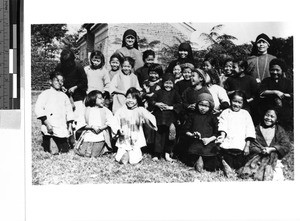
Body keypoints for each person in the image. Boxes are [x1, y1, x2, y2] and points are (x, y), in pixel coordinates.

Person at [238, 108, 291, 181]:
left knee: (276, 177)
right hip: (257, 157)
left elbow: (286, 145)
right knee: (249, 172)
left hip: (273, 158)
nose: (269, 118)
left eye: (272, 117)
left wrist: (272, 149)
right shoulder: (257, 129)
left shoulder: (279, 130)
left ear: (277, 119)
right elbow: (251, 144)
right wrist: (261, 150)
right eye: (267, 115)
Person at [216, 90, 256, 176]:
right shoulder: (226, 112)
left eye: (239, 102)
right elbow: (222, 125)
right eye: (234, 101)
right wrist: (222, 137)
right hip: (228, 144)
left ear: (243, 103)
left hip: (241, 146)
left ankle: (238, 168)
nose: (236, 104)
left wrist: (247, 146)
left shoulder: (245, 114)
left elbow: (249, 129)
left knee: (242, 164)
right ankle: (226, 166)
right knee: (224, 158)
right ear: (230, 101)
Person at [114, 87, 157, 165]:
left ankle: (131, 154)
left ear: (137, 100)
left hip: (135, 138)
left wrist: (147, 119)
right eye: (128, 98)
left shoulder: (140, 110)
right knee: (119, 158)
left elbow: (150, 118)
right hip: (124, 138)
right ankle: (125, 153)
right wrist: (118, 129)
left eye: (133, 98)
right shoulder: (121, 110)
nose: (130, 100)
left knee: (134, 160)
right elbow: (115, 121)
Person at [35, 71, 74, 154]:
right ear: (50, 81)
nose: (59, 83)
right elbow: (39, 109)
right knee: (53, 151)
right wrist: (47, 124)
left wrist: (70, 126)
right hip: (50, 128)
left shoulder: (64, 96)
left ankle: (61, 143)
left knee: (64, 151)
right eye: (57, 80)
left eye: (61, 81)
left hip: (61, 127)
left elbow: (69, 111)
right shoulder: (45, 94)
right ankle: (49, 144)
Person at [183, 93, 221, 172]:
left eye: (206, 106)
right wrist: (192, 135)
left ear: (210, 106)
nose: (203, 108)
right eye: (201, 105)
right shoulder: (192, 116)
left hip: (208, 144)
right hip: (195, 143)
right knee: (190, 161)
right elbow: (185, 130)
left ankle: (203, 162)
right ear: (197, 104)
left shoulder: (212, 117)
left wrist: (209, 139)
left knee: (210, 166)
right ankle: (197, 161)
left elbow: (217, 132)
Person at [151, 73, 182, 162]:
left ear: (173, 84)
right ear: (163, 83)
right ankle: (157, 154)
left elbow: (180, 104)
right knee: (158, 136)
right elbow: (151, 100)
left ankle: (167, 153)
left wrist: (170, 107)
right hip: (159, 117)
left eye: (170, 83)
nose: (168, 85)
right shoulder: (159, 92)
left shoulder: (175, 93)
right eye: (166, 83)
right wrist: (157, 104)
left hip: (170, 118)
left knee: (169, 136)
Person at [55, 48, 87, 131]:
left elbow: (84, 82)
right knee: (65, 117)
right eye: (66, 63)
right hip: (63, 95)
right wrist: (61, 86)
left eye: (69, 62)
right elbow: (56, 80)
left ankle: (77, 134)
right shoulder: (59, 67)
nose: (68, 65)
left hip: (77, 96)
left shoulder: (78, 67)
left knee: (78, 118)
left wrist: (75, 87)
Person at [74, 90, 114, 158]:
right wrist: (92, 127)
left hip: (100, 135)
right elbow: (81, 124)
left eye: (102, 98)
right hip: (89, 135)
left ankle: (103, 149)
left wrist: (102, 127)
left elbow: (111, 122)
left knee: (94, 155)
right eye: (100, 98)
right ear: (93, 99)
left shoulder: (105, 110)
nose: (103, 100)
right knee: (83, 153)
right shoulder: (86, 110)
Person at [258, 58, 293, 129]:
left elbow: (292, 94)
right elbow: (262, 92)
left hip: (284, 107)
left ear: (282, 70)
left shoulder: (287, 82)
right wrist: (275, 92)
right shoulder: (266, 80)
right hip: (268, 107)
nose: (274, 72)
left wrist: (283, 94)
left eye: (277, 70)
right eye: (272, 70)